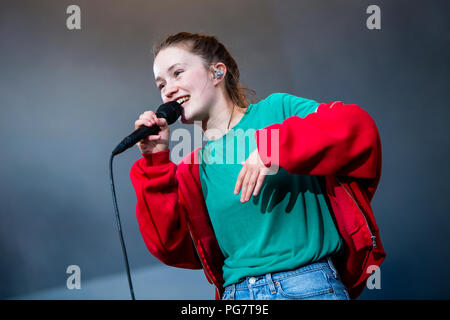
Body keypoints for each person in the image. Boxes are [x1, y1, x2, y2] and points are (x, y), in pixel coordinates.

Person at [130, 32, 386, 300]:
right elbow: (169, 246)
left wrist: (274, 147)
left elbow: (357, 127)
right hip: (237, 295)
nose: (168, 89)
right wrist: (155, 162)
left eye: (178, 73)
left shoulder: (277, 110)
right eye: (161, 84)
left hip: (306, 286)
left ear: (217, 72)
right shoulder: (193, 168)